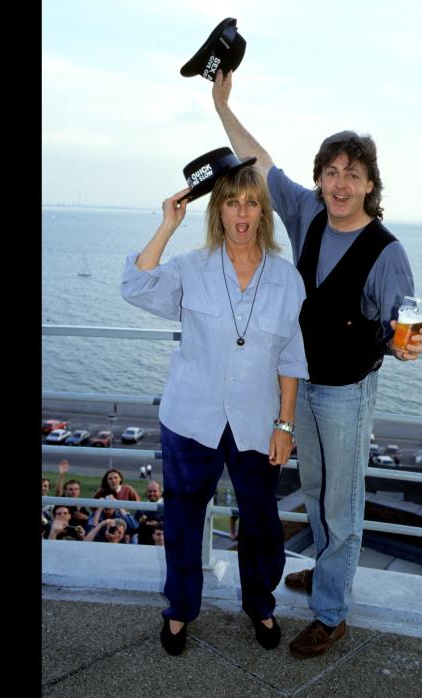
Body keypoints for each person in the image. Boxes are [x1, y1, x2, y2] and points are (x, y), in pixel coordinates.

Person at [212, 69, 422, 659]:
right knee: (313, 486)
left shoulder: (387, 252)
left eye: (351, 175)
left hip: (346, 394)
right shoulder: (307, 215)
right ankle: (328, 571)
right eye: (330, 172)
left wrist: (406, 344)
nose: (339, 184)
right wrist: (220, 102)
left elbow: (401, 327)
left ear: (368, 185)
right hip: (300, 385)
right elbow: (256, 162)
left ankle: (331, 612)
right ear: (319, 179)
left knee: (343, 501)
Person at [121, 156, 308, 656]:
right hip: (191, 420)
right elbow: (135, 286)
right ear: (218, 212)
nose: (241, 214)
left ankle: (260, 604)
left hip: (256, 422)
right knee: (183, 518)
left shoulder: (287, 279)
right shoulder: (191, 268)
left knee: (263, 522)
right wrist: (167, 224)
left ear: (262, 212)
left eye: (251, 203)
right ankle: (180, 609)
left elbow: (291, 356)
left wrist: (285, 424)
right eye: (231, 202)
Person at [136, 480, 165, 546]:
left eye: (155, 491)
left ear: (160, 492)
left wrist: (158, 523)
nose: (152, 493)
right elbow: (135, 526)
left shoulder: (168, 507)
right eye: (150, 491)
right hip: (144, 544)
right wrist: (141, 522)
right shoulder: (141, 508)